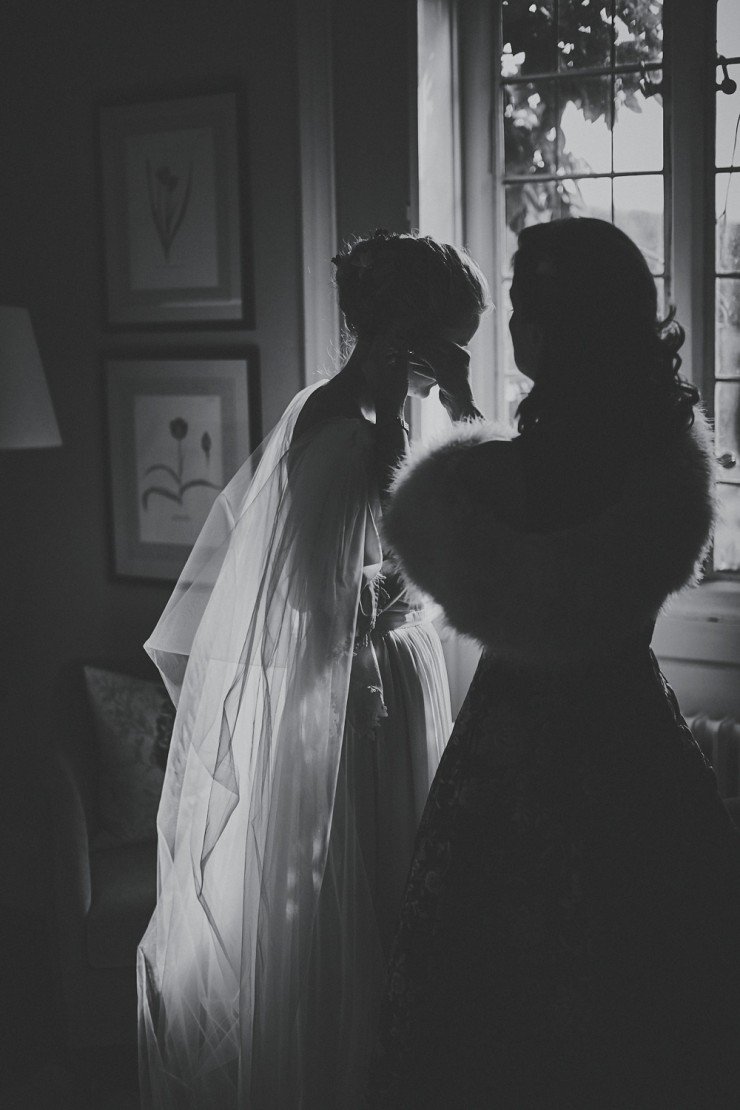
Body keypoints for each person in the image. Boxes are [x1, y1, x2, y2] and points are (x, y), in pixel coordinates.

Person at [369, 217, 740, 1108]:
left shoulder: (515, 470)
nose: (510, 323)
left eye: (524, 306)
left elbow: (445, 510)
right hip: (632, 724)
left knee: (499, 984)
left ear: (560, 329)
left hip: (526, 744)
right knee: (646, 983)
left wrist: (440, 406)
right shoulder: (654, 449)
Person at [136, 229, 489, 1109]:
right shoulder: (337, 433)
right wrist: (410, 592)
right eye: (452, 342)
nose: (454, 363)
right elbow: (310, 604)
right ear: (409, 334)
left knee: (409, 895)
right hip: (354, 706)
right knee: (358, 902)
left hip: (397, 687)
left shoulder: (393, 420)